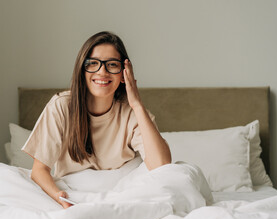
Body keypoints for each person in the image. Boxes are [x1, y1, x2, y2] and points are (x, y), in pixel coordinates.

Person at [22, 31, 171, 209]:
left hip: (122, 196)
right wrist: (59, 197)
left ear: (124, 73)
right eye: (93, 63)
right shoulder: (61, 106)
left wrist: (137, 104)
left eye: (112, 65)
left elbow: (161, 166)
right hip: (73, 194)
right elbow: (39, 171)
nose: (102, 72)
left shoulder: (133, 112)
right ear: (82, 70)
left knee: (183, 176)